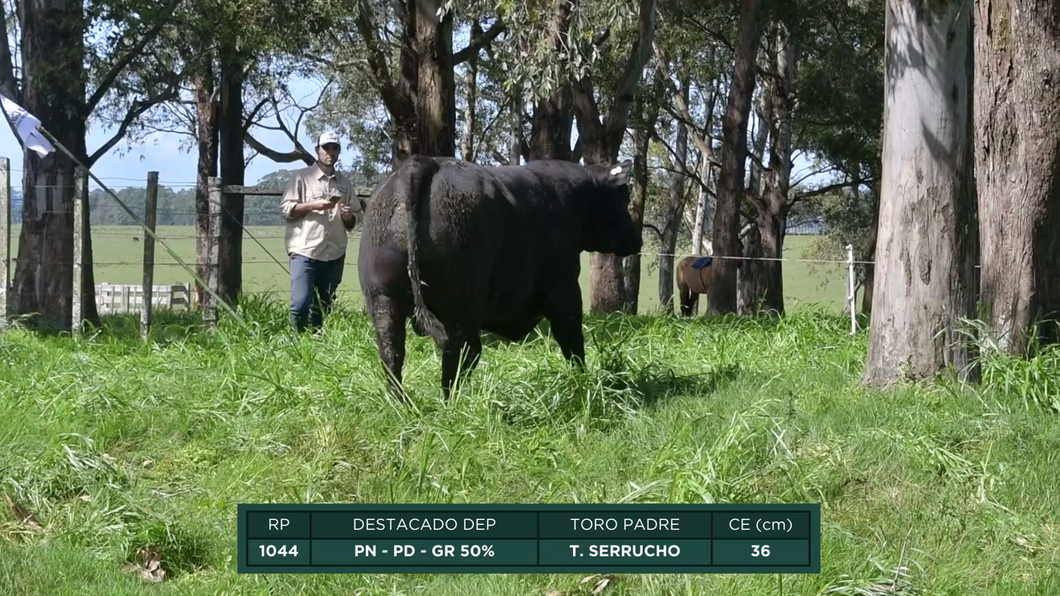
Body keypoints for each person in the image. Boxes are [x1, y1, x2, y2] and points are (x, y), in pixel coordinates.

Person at [280, 131, 360, 332]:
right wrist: (313, 205)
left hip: (335, 253)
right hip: (305, 250)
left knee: (323, 307)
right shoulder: (300, 177)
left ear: (339, 152)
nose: (330, 153)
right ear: (317, 151)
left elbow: (354, 219)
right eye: (326, 148)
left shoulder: (344, 183)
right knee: (300, 304)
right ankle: (295, 345)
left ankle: (316, 347)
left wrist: (348, 215)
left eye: (334, 148)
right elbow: (286, 209)